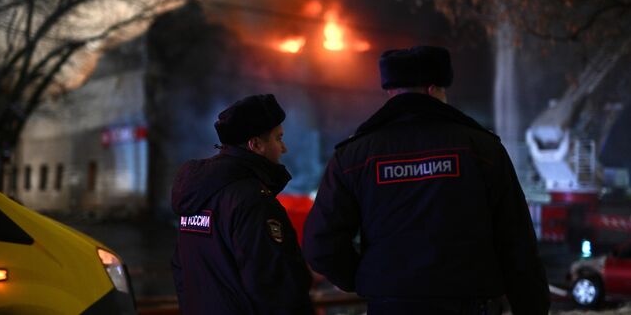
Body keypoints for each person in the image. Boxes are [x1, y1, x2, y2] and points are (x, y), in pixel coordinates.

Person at [302, 46, 550, 314]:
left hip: (391, 306)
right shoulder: (481, 149)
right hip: (470, 305)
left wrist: (368, 278)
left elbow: (320, 245)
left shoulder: (354, 157)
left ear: (390, 92)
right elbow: (517, 243)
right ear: (434, 90)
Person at [171, 94, 313, 315]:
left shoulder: (195, 194)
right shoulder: (253, 201)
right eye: (278, 138)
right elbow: (276, 288)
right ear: (255, 144)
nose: (283, 148)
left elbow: (181, 271)